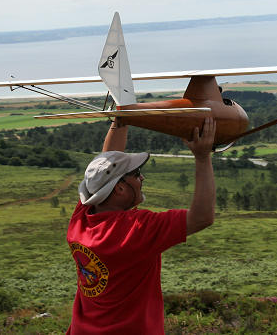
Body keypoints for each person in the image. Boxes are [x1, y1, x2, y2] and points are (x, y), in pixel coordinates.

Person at [66, 116, 216, 334]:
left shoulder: (82, 218)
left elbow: (106, 162)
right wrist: (202, 157)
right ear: (119, 189)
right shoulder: (135, 230)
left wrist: (122, 116)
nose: (142, 178)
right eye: (136, 174)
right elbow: (202, 217)